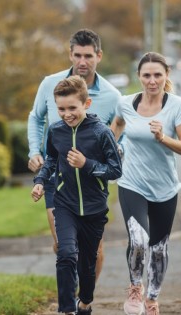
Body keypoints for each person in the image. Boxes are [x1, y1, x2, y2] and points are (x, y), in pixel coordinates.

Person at [27, 28, 121, 282]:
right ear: (70, 54)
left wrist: (117, 150)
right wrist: (34, 150)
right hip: (57, 177)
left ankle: (84, 299)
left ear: (99, 56)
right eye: (77, 55)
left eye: (88, 56)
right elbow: (36, 118)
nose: (82, 61)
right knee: (62, 245)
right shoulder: (50, 84)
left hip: (93, 183)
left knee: (94, 249)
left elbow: (121, 134)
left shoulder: (113, 96)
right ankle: (71, 294)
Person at [31, 75, 122, 315]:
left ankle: (85, 303)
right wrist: (40, 181)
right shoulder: (56, 131)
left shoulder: (102, 133)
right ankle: (67, 309)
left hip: (94, 207)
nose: (66, 113)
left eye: (72, 107)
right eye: (61, 109)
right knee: (65, 253)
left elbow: (115, 170)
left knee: (87, 266)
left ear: (86, 104)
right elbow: (51, 159)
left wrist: (87, 164)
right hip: (65, 204)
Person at [110, 52, 181, 315]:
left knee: (158, 248)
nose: (152, 80)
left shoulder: (177, 105)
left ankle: (153, 298)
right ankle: (136, 288)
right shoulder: (125, 103)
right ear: (139, 77)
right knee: (138, 240)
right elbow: (116, 128)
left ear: (166, 75)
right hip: (132, 182)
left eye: (158, 74)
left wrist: (163, 138)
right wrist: (110, 153)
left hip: (165, 187)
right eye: (146, 75)